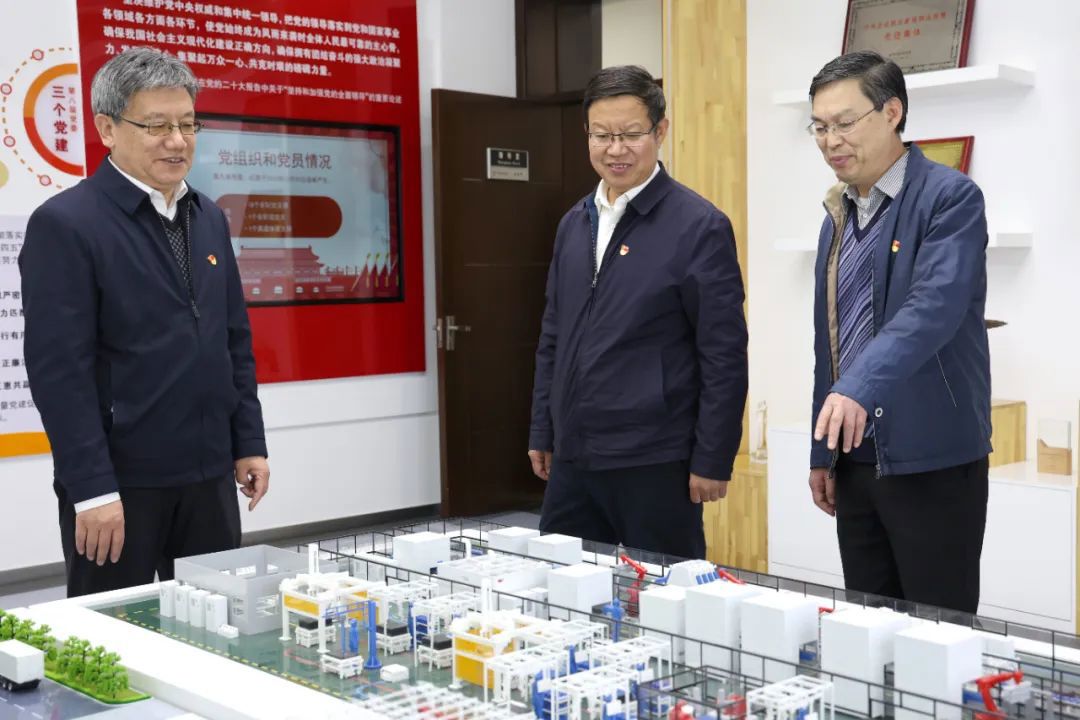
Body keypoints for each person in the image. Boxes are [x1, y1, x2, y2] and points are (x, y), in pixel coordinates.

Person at [20, 47, 269, 597]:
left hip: (208, 476)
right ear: (107, 129)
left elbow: (233, 339)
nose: (177, 141)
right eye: (156, 126)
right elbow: (59, 372)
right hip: (121, 485)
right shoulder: (66, 224)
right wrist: (91, 488)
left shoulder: (208, 216)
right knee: (114, 629)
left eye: (187, 124)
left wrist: (248, 440)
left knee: (217, 622)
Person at [527, 65, 748, 559]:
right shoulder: (573, 223)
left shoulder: (699, 226)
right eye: (602, 135)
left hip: (656, 459)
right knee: (563, 586)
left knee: (665, 593)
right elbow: (553, 336)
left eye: (630, 134)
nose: (615, 149)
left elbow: (724, 353)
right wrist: (543, 427)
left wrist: (713, 457)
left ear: (660, 131)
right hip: (575, 455)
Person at [806, 51, 991, 614]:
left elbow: (932, 308)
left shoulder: (950, 198)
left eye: (844, 123)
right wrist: (822, 451)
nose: (831, 141)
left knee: (938, 628)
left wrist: (858, 388)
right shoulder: (838, 214)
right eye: (820, 127)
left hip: (930, 455)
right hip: (854, 458)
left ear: (892, 112)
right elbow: (830, 343)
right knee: (867, 623)